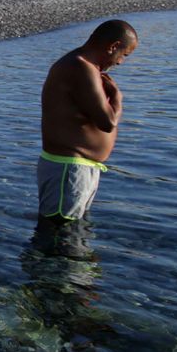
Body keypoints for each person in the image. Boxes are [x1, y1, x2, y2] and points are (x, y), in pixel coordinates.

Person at [38, 20, 138, 222]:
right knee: (60, 229)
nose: (120, 62)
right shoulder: (81, 67)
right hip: (69, 169)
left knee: (72, 230)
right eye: (124, 55)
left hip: (76, 168)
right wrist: (117, 98)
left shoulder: (84, 67)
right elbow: (107, 122)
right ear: (113, 46)